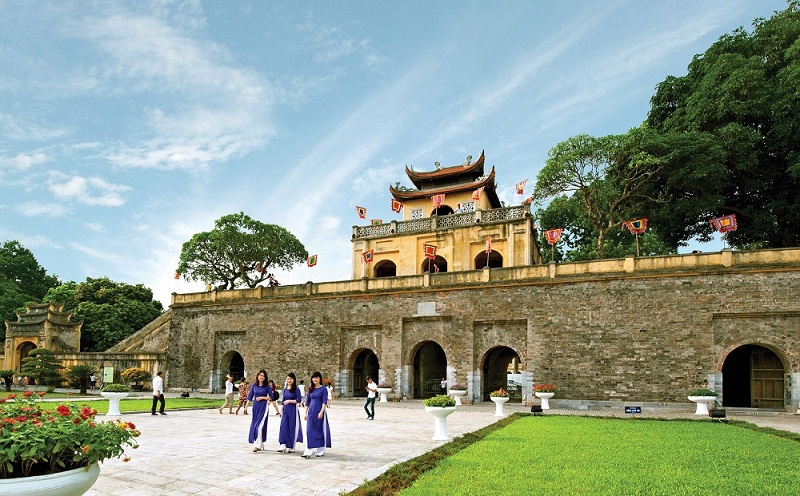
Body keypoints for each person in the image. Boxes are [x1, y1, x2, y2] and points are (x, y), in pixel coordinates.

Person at [301, 371, 331, 458]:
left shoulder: (323, 389)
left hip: (319, 412)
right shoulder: (310, 389)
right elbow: (307, 402)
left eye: (317, 377)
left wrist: (321, 412)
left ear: (320, 378)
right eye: (313, 378)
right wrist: (305, 413)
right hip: (311, 412)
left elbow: (324, 401)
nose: (315, 379)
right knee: (309, 430)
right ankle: (308, 450)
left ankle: (321, 449)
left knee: (319, 430)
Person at [247, 369, 275, 452]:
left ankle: (257, 445)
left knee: (259, 426)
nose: (262, 377)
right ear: (258, 376)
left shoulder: (267, 386)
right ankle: (260, 443)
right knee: (255, 425)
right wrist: (245, 407)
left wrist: (263, 398)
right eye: (260, 375)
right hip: (256, 408)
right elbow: (250, 396)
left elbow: (271, 397)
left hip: (263, 407)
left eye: (263, 376)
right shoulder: (254, 386)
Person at [277, 372, 303, 453]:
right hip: (285, 410)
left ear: (294, 380)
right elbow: (283, 401)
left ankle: (291, 445)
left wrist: (289, 401)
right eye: (288, 379)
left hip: (293, 410)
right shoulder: (285, 390)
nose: (289, 380)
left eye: (290, 379)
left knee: (292, 427)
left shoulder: (296, 389)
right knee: (283, 426)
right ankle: (283, 444)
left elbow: (299, 400)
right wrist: (281, 411)